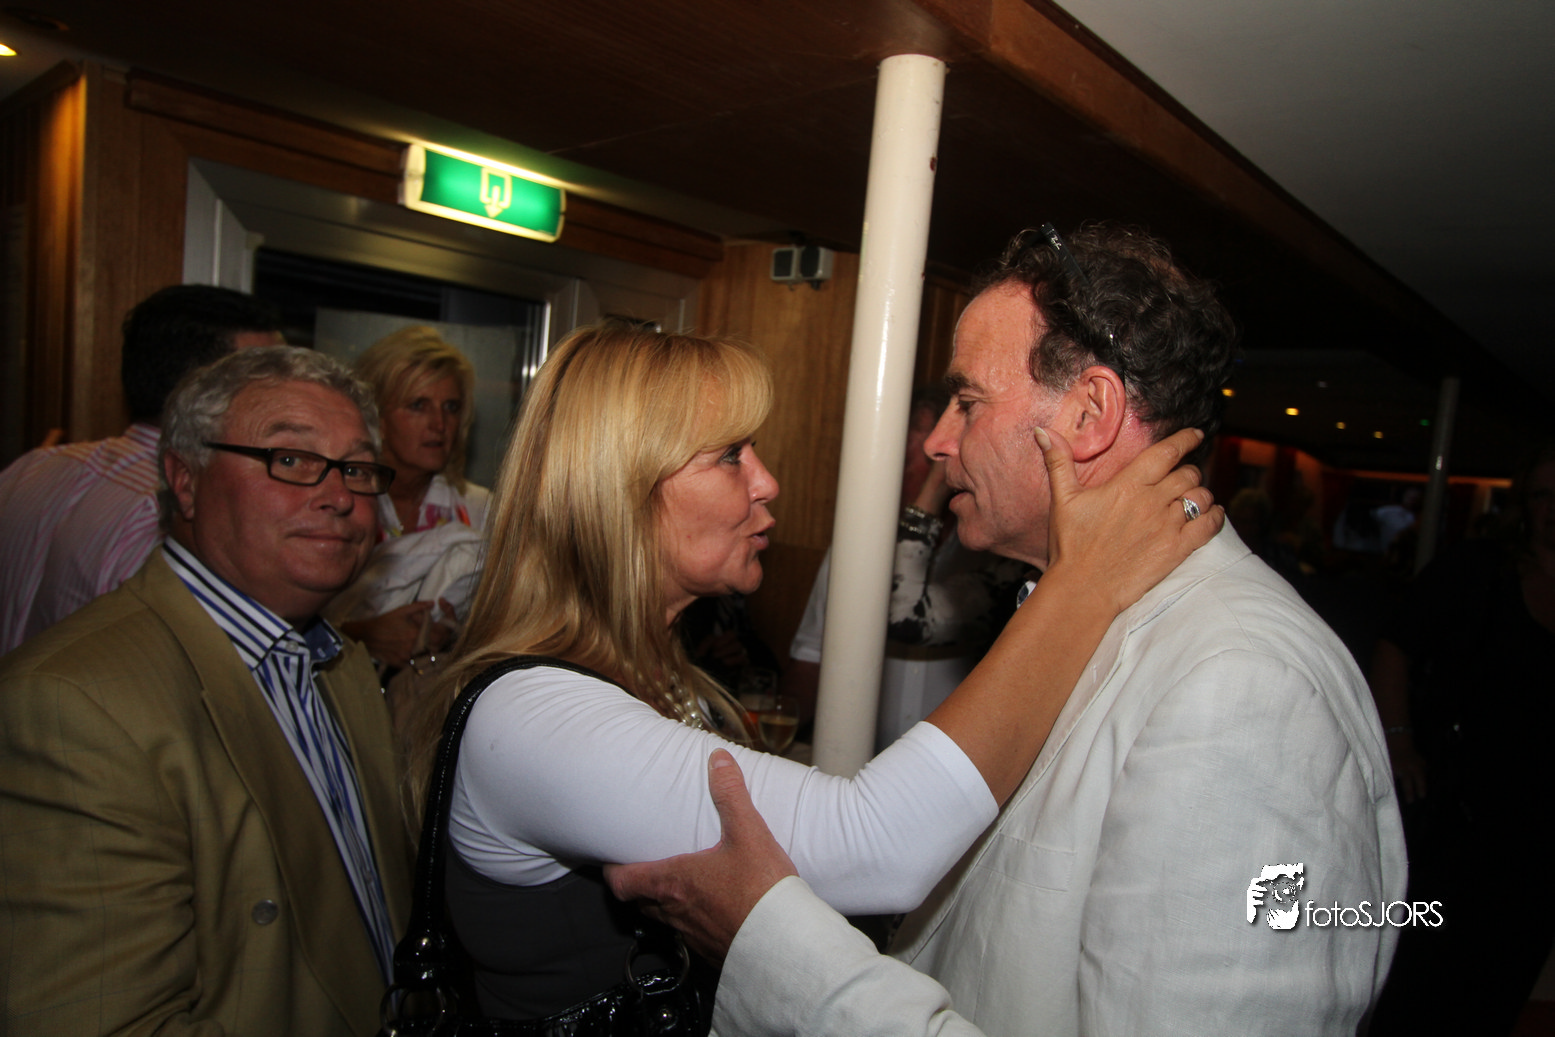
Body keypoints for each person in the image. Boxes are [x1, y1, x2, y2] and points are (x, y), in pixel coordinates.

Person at [607, 224, 1406, 1037]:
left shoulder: (1242, 682)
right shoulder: (1078, 608)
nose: (936, 441)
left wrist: (777, 949)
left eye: (967, 402)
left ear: (1089, 412)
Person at [400, 320, 1220, 1021]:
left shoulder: (648, 674)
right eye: (730, 455)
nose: (767, 482)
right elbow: (877, 840)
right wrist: (1085, 581)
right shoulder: (532, 718)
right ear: (620, 489)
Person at [0, 346, 413, 1035]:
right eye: (290, 458)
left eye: (357, 468)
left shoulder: (337, 664)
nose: (340, 495)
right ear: (185, 481)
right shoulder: (71, 705)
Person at [1369, 441, 1555, 1036]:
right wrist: (1400, 741)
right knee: (1421, 989)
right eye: (1542, 495)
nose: (1552, 508)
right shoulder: (1480, 570)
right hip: (1460, 825)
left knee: (1498, 994)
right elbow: (1394, 646)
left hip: (1538, 844)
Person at [0, 284, 283, 653]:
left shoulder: (34, 466)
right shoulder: (171, 515)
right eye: (265, 381)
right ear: (198, 392)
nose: (287, 397)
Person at [785, 385, 1027, 749]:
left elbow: (904, 612)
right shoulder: (857, 548)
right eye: (901, 461)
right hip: (861, 761)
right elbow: (811, 655)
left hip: (962, 771)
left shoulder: (996, 552)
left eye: (926, 463)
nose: (912, 476)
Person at [328, 327, 491, 671]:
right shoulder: (339, 503)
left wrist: (460, 634)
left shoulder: (482, 511)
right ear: (376, 416)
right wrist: (361, 635)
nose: (439, 424)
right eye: (418, 405)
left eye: (451, 407)